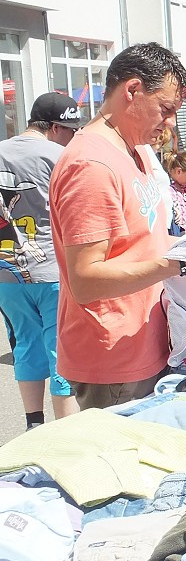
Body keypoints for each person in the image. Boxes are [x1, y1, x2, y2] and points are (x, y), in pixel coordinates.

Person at [50, 42, 186, 409]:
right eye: (165, 110)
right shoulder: (91, 165)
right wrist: (179, 264)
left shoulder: (134, 150)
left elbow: (139, 242)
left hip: (141, 344)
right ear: (132, 90)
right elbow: (85, 280)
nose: (170, 124)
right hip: (115, 357)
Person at [0, 93, 83, 428]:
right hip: (52, 269)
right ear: (53, 127)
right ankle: (65, 438)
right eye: (69, 129)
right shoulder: (61, 157)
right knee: (60, 352)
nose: (73, 137)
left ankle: (33, 424)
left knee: (25, 345)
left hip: (7, 272)